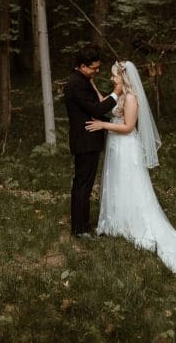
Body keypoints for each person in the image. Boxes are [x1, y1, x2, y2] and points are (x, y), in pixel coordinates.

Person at [85, 61, 176, 279]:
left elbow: (128, 127)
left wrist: (103, 126)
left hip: (126, 147)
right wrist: (92, 85)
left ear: (123, 76)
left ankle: (135, 223)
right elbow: (104, 103)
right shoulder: (120, 95)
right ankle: (117, 222)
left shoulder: (131, 98)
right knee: (117, 184)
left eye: (114, 76)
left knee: (130, 186)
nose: (111, 79)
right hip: (115, 147)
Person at [63, 45, 122, 238]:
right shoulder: (76, 84)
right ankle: (80, 229)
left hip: (86, 139)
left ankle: (81, 225)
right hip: (85, 140)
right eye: (94, 68)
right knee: (83, 185)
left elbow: (95, 103)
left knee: (83, 184)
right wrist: (117, 92)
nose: (97, 71)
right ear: (82, 66)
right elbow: (96, 110)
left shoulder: (82, 79)